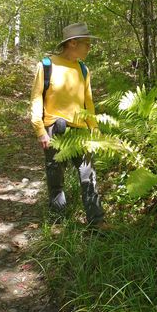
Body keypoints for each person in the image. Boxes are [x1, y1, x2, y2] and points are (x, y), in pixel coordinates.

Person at [30, 22, 105, 227]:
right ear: (73, 43)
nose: (90, 47)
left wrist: (94, 128)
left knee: (88, 176)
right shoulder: (46, 65)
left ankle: (96, 222)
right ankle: (58, 223)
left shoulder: (83, 68)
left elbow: (88, 102)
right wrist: (40, 131)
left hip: (81, 132)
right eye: (87, 43)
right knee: (56, 179)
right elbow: (36, 99)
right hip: (55, 130)